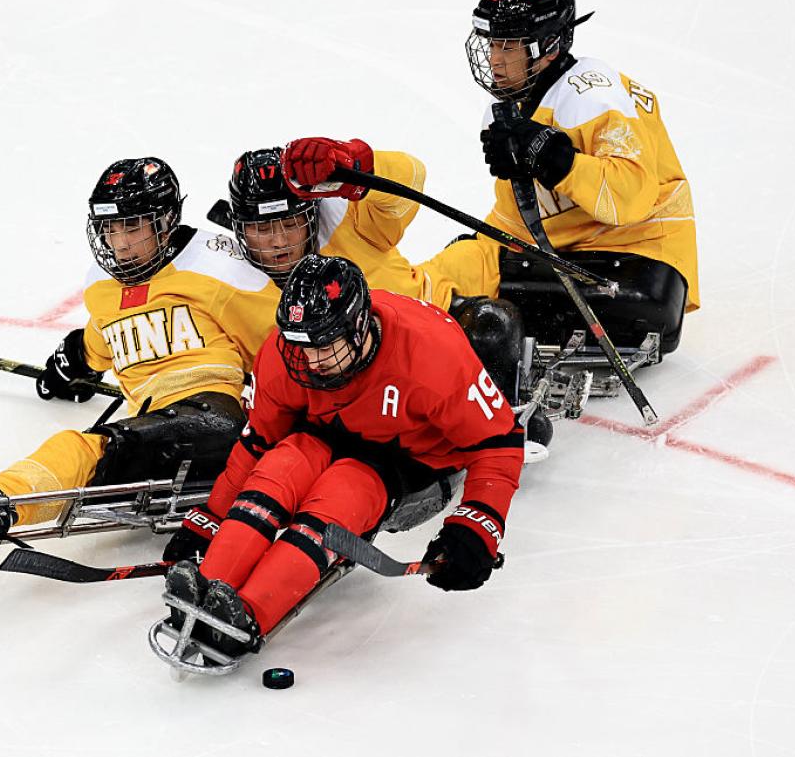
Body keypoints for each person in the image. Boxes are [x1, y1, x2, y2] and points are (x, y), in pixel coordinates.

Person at [0, 157, 278, 548]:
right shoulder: (103, 286)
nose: (122, 241)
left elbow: (287, 338)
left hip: (220, 419)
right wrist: (71, 365)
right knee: (95, 448)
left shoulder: (219, 268)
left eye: (133, 226)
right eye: (111, 228)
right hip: (158, 425)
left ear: (165, 221)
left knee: (103, 447)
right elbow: (100, 341)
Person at [162, 254, 525, 655]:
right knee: (285, 460)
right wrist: (211, 517)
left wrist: (477, 527)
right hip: (330, 434)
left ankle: (248, 613)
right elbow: (258, 442)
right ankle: (209, 583)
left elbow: (499, 443)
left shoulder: (432, 354)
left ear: (358, 328)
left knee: (344, 487)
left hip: (412, 462)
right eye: (300, 345)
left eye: (323, 345)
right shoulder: (288, 352)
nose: (310, 362)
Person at [458, 0, 698, 354]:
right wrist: (481, 249)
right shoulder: (510, 108)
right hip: (568, 245)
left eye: (507, 46)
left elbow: (629, 197)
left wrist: (558, 159)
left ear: (548, 45)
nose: (494, 59)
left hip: (637, 249)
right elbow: (518, 216)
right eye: (491, 45)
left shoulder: (590, 95)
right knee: (457, 274)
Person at [225, 144, 534, 438]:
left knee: (492, 324)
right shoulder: (224, 278)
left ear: (312, 212)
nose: (279, 242)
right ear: (239, 227)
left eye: (291, 223)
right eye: (263, 229)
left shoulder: (345, 216)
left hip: (429, 327)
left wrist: (356, 162)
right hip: (357, 385)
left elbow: (412, 177)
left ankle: (501, 425)